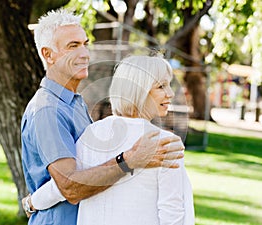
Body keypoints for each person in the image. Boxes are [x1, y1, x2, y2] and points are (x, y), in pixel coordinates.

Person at [21, 8, 185, 225]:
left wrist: (34, 201)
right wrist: (128, 161)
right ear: (48, 54)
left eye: (85, 44)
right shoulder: (48, 111)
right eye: (73, 46)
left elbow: (83, 171)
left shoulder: (73, 105)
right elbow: (69, 186)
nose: (85, 54)